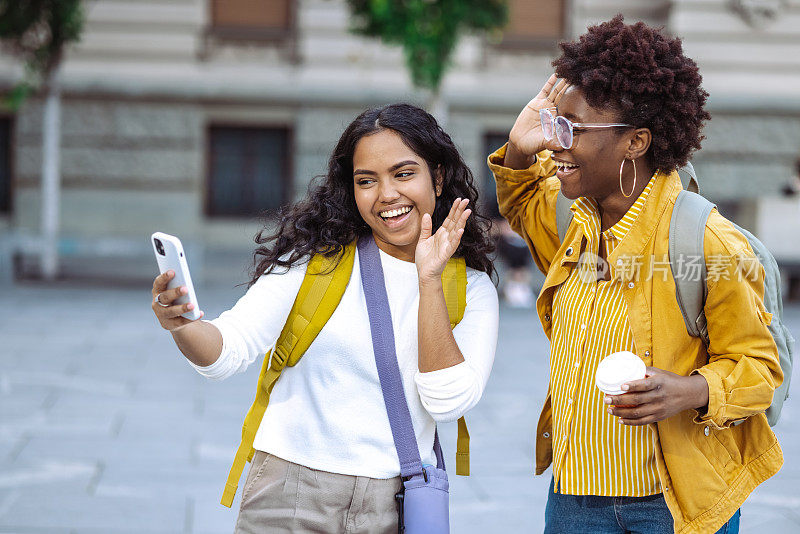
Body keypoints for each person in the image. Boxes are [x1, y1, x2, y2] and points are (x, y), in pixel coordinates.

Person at [489, 16, 782, 534]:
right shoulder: (572, 219)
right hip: (574, 498)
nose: (555, 143)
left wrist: (690, 391)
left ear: (635, 142)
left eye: (571, 129)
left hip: (674, 505)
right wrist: (518, 144)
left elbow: (761, 367)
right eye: (558, 124)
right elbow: (524, 203)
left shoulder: (706, 242)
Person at [151, 103, 498, 533]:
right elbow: (227, 350)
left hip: (394, 503)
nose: (386, 194)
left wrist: (429, 280)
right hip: (288, 494)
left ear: (439, 177)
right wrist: (184, 324)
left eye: (403, 173)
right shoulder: (314, 263)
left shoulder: (471, 289)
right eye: (366, 181)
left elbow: (447, 401)